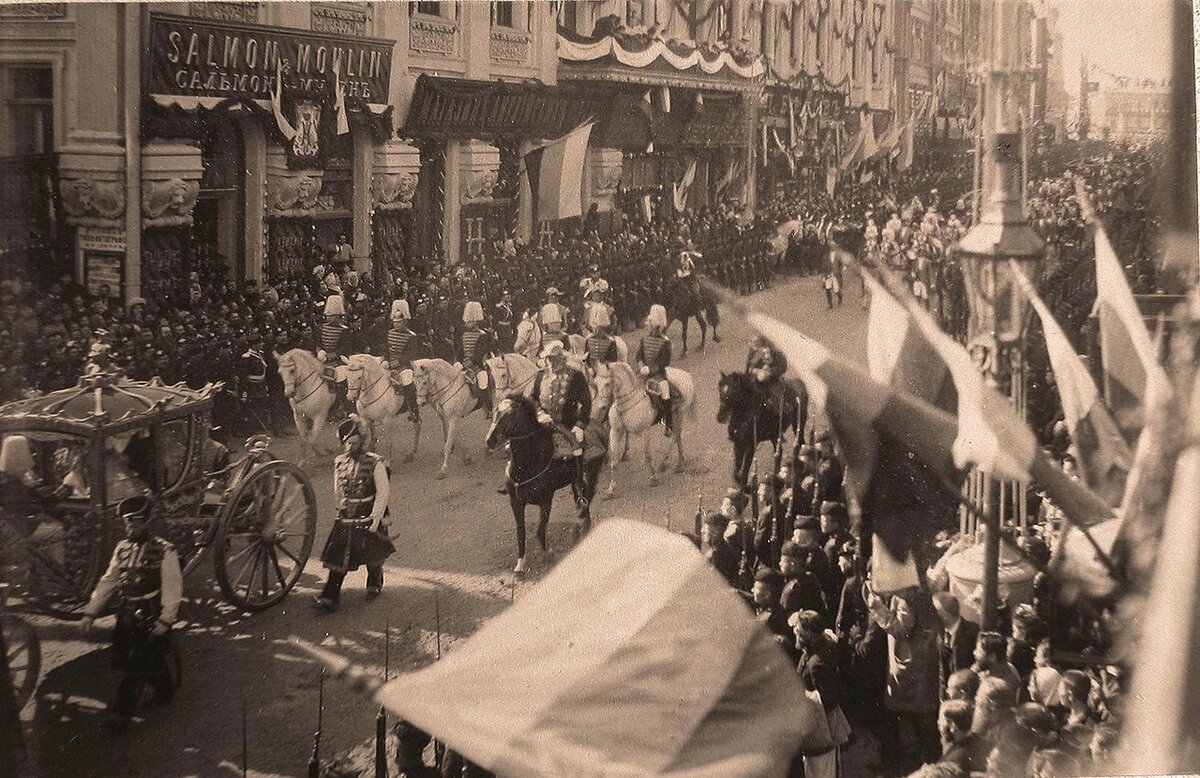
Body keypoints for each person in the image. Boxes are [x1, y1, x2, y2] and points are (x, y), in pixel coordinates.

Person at [80, 495, 182, 731]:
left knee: (136, 666)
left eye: (137, 521)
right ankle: (165, 689)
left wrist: (165, 619)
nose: (131, 527)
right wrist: (90, 612)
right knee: (139, 660)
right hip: (127, 614)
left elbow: (173, 588)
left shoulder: (165, 551)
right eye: (128, 522)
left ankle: (120, 715)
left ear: (148, 522)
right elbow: (109, 581)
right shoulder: (122, 549)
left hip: (151, 614)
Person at [315, 417, 395, 611]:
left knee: (371, 552)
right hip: (346, 514)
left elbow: (383, 492)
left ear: (362, 442)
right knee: (338, 555)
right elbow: (337, 489)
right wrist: (339, 505)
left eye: (355, 442)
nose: (351, 446)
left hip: (367, 513)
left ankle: (374, 582)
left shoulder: (375, 462)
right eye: (348, 443)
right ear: (343, 443)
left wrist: (376, 518)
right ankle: (330, 596)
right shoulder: (339, 462)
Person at [529, 340, 591, 503]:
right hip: (543, 423)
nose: (552, 363)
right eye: (550, 359)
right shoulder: (540, 376)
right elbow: (533, 400)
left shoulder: (576, 376)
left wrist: (580, 425)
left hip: (568, 423)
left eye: (556, 359)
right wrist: (540, 413)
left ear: (563, 359)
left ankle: (579, 491)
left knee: (577, 451)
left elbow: (586, 403)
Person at [635, 304, 673, 436]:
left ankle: (669, 424)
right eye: (649, 322)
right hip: (643, 372)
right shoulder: (644, 339)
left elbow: (665, 362)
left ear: (657, 325)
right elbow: (638, 356)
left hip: (658, 374)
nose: (649, 325)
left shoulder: (665, 341)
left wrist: (650, 370)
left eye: (651, 322)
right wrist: (642, 367)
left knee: (665, 392)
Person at [934, 592, 979, 694]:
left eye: (936, 611)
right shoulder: (938, 632)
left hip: (964, 693)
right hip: (946, 695)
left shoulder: (973, 631)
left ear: (945, 615)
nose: (932, 615)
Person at [385, 299, 422, 424]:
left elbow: (411, 354)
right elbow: (385, 348)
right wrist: (385, 359)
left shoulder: (411, 335)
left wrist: (398, 362)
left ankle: (413, 410)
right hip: (389, 363)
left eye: (399, 322)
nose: (396, 325)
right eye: (395, 322)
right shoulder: (389, 333)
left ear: (405, 321)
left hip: (404, 365)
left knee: (406, 381)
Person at [457, 301, 492, 413]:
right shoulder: (464, 335)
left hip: (479, 365)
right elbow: (460, 351)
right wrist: (460, 361)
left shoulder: (482, 335)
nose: (466, 323)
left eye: (469, 321)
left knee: (483, 381)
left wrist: (471, 362)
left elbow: (481, 352)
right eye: (466, 321)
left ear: (475, 322)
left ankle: (488, 406)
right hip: (466, 363)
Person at [938, 699, 989, 775]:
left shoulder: (949, 762)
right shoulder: (987, 743)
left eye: (940, 720)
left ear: (952, 725)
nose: (938, 723)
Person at [239, 333, 273, 436]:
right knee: (252, 408)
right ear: (254, 345)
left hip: (261, 385)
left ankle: (258, 427)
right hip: (252, 386)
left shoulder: (260, 354)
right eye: (259, 343)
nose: (262, 344)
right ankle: (250, 430)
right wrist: (245, 390)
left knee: (260, 407)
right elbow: (244, 375)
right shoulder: (247, 357)